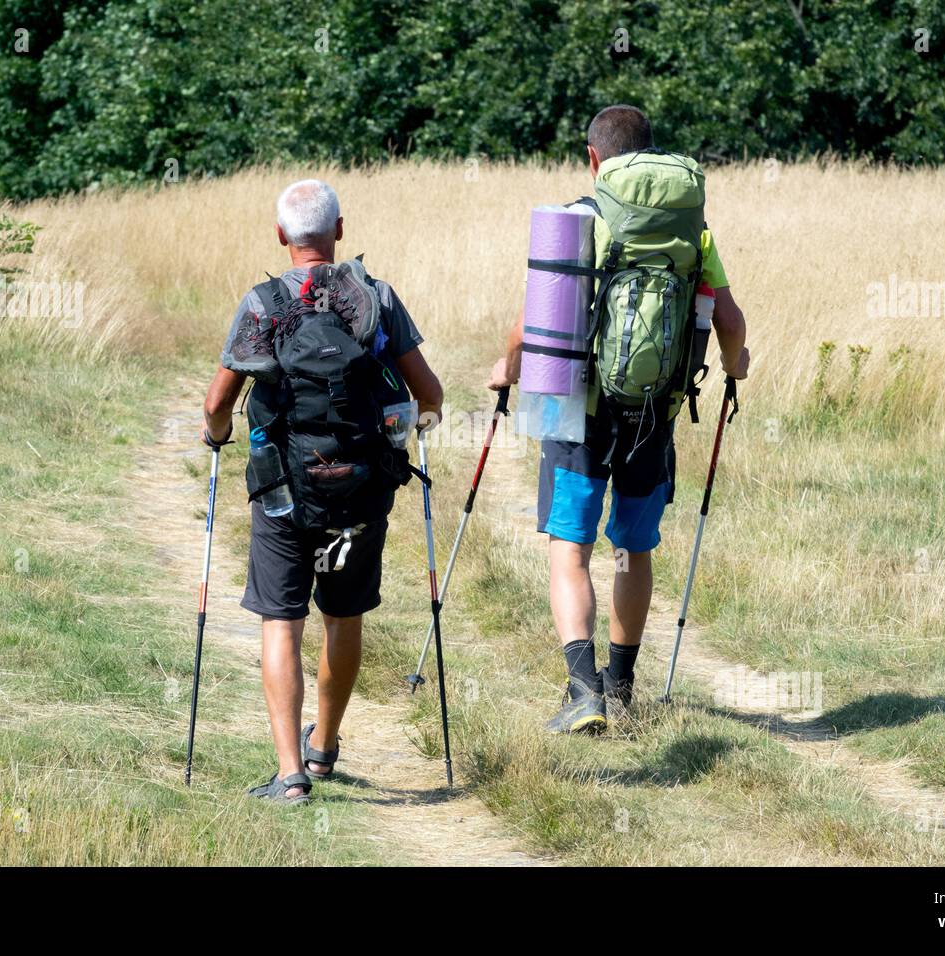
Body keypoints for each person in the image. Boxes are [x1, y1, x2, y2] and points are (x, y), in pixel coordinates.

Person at [486, 106, 750, 733]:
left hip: (577, 413)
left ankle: (582, 691)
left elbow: (532, 326)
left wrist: (507, 368)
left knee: (569, 548)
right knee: (633, 547)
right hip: (653, 412)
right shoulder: (693, 231)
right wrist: (735, 368)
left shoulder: (579, 220)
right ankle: (622, 685)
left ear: (594, 159)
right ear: (652, 155)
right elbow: (730, 324)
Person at [203, 179, 443, 801]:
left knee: (282, 622)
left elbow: (216, 404)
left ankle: (290, 776)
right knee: (343, 614)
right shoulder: (377, 299)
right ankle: (326, 746)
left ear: (281, 236)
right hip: (362, 489)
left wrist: (218, 436)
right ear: (339, 231)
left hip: (284, 488)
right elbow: (431, 395)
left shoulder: (262, 305)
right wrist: (408, 431)